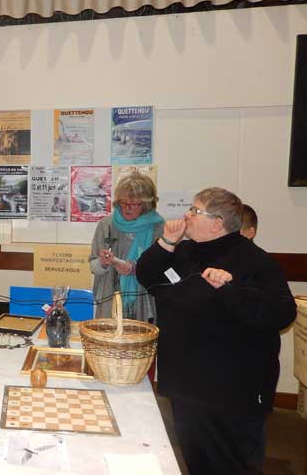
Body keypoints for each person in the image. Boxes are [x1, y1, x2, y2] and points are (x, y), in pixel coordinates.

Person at [136, 187, 296, 474]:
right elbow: (147, 275)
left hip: (232, 393)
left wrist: (230, 289)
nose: (187, 215)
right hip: (186, 385)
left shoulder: (254, 260)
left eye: (195, 210)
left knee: (233, 466)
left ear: (217, 223)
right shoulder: (184, 250)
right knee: (197, 461)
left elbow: (282, 313)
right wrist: (166, 243)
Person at [88, 173, 164, 321]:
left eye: (134, 204)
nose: (127, 208)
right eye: (123, 203)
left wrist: (135, 269)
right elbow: (93, 267)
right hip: (110, 301)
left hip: (145, 303)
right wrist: (103, 263)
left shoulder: (158, 228)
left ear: (146, 204)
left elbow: (162, 271)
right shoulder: (106, 225)